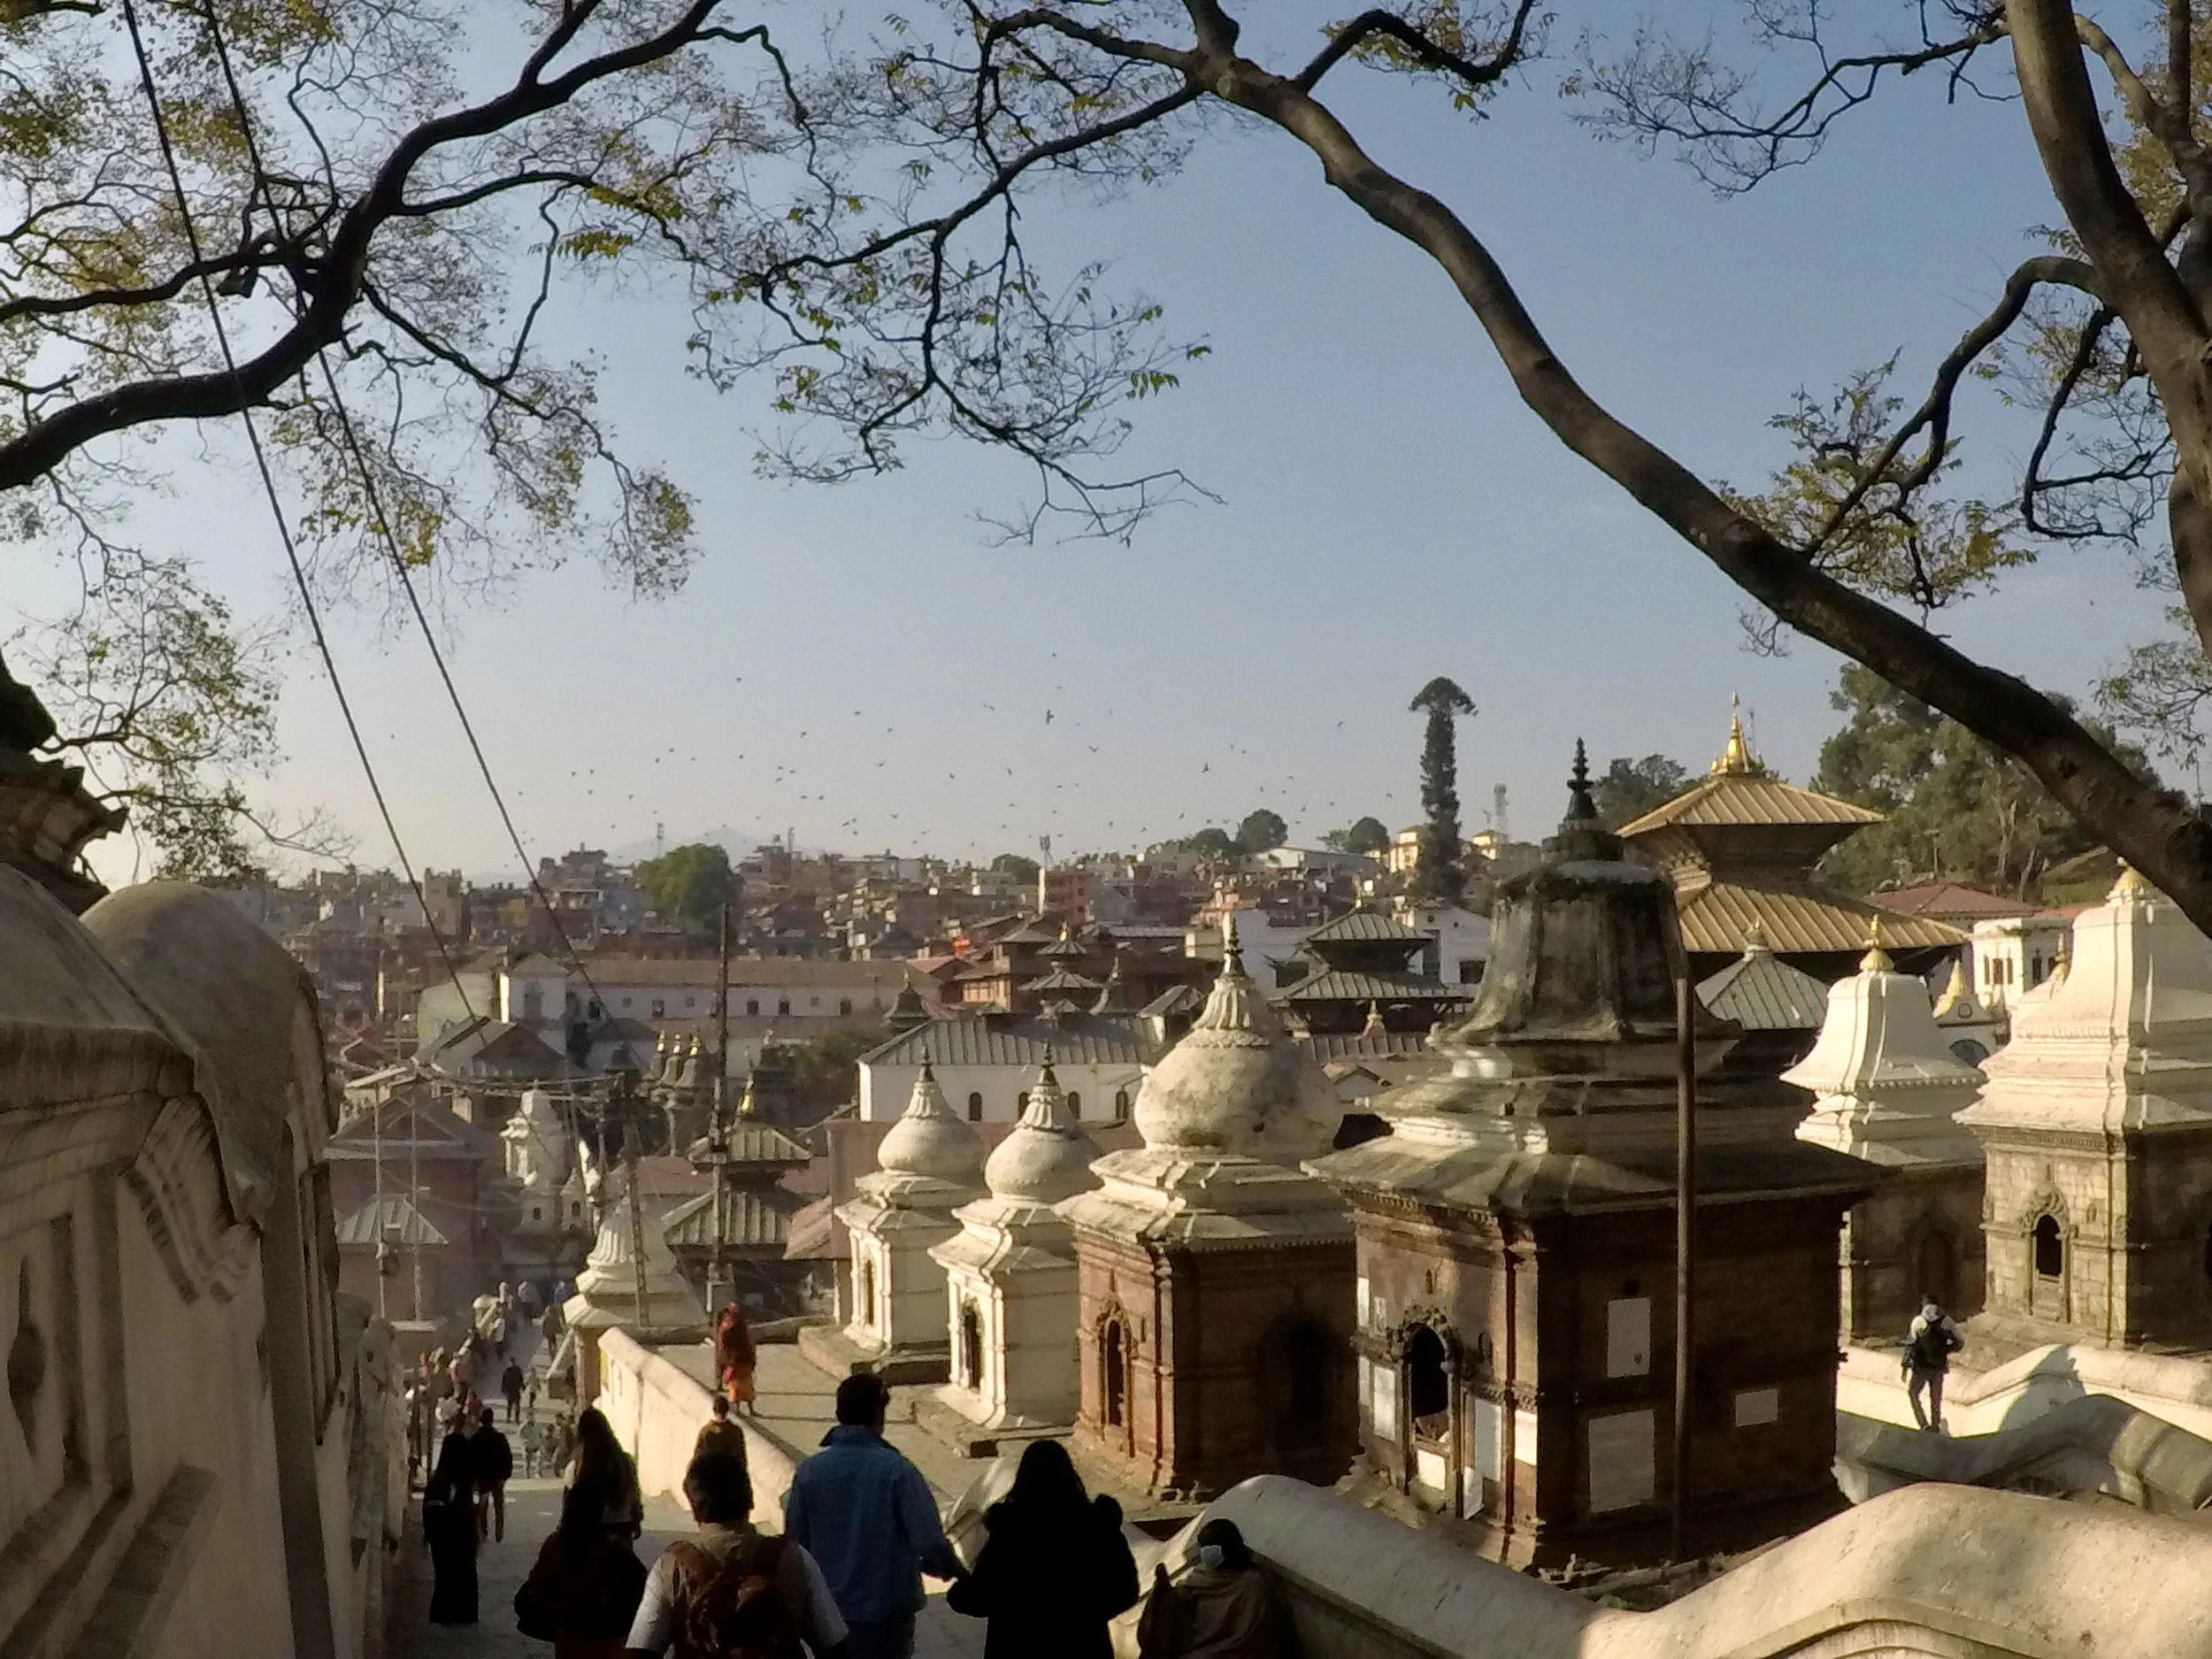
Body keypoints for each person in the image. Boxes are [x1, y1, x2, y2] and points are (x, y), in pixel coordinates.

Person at [784, 1372, 964, 1659]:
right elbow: (929, 1543)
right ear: (878, 1413)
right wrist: (952, 1570)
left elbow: (795, 1543)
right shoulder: (898, 1471)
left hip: (828, 1617)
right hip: (886, 1619)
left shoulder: (809, 1472)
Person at [625, 1452, 849, 1659]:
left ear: (694, 1508)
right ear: (750, 1499)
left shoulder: (672, 1567)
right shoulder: (794, 1558)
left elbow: (642, 1650)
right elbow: (834, 1647)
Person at [947, 1440, 1137, 1659]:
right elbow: (1126, 1591)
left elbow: (978, 1598)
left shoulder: (1011, 1534)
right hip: (1084, 1647)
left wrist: (958, 1586)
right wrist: (1087, 1615)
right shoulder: (1098, 1528)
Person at [521, 1477, 649, 1659]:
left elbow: (538, 1587)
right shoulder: (616, 1550)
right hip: (610, 1643)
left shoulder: (556, 1546)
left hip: (569, 1639)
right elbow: (639, 1590)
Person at [1135, 1519, 1283, 1659]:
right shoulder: (1202, 1575)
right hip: (1195, 1645)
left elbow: (1249, 1638)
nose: (1205, 1553)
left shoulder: (1251, 1585)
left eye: (1210, 1546)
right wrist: (1162, 1593)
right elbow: (1177, 1606)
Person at [423, 1435, 480, 1625]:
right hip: (459, 1537)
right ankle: (461, 1613)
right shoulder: (457, 1480)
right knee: (461, 1575)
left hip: (449, 1539)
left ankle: (448, 1613)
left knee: (447, 1576)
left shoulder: (444, 1479)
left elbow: (432, 1513)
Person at [572, 1406, 646, 1540]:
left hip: (592, 1531)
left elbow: (571, 1505)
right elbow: (634, 1494)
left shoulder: (579, 1467)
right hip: (622, 1527)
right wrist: (636, 1519)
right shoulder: (624, 1461)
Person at [1904, 1297, 1965, 1432]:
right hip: (1939, 1366)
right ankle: (1935, 1425)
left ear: (1924, 1304)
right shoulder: (1946, 1321)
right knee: (1936, 1397)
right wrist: (1945, 1350)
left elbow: (1911, 1344)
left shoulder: (1918, 1321)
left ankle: (1923, 1423)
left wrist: (1905, 1366)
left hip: (1921, 1366)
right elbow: (1960, 1342)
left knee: (1913, 1393)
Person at [474, 1406, 516, 1542]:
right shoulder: (499, 1437)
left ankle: (484, 1533)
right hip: (497, 1478)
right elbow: (508, 1457)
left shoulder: (476, 1439)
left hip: (482, 1478)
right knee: (498, 1506)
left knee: (482, 1507)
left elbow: (470, 1459)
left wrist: (473, 1479)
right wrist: (505, 1476)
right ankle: (499, 1533)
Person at [715, 1302, 758, 1417]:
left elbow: (722, 1344)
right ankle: (745, 1410)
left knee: (741, 1386)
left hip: (737, 1360)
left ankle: (744, 1410)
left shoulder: (727, 1325)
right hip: (738, 1360)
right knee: (741, 1386)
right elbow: (749, 1341)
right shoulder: (737, 1325)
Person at [695, 1394, 748, 1461]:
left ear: (714, 1410)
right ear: (727, 1410)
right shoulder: (736, 1431)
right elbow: (741, 1457)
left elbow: (698, 1456)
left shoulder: (705, 1432)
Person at [503, 1357, 527, 1423]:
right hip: (511, 1391)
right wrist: (503, 1389)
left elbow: (521, 1378)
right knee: (511, 1405)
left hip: (515, 1390)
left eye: (511, 1363)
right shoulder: (508, 1371)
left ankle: (516, 1419)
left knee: (515, 1405)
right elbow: (504, 1381)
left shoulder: (516, 1370)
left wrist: (523, 1386)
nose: (511, 1364)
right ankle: (509, 1418)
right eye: (510, 1363)